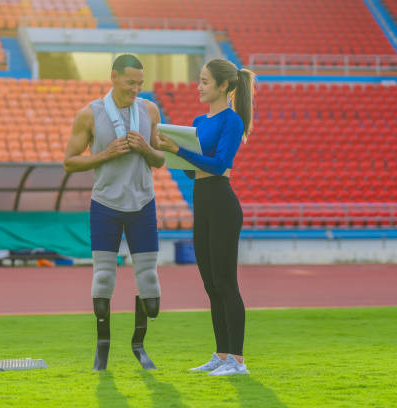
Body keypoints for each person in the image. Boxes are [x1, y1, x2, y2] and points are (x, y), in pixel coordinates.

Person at [63, 54, 165, 371]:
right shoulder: (89, 114)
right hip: (105, 204)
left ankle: (139, 344)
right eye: (130, 82)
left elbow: (160, 160)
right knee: (104, 276)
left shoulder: (149, 110)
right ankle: (102, 347)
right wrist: (105, 154)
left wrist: (146, 149)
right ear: (114, 77)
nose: (136, 89)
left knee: (149, 284)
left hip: (143, 203)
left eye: (140, 84)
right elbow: (69, 161)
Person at [156, 58, 254, 376]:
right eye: (199, 80)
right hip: (202, 202)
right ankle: (221, 354)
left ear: (224, 86)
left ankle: (237, 361)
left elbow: (218, 163)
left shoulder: (232, 120)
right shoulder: (199, 119)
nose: (199, 86)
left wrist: (180, 150)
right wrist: (172, 152)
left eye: (204, 81)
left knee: (226, 282)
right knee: (211, 285)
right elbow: (192, 171)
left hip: (223, 204)